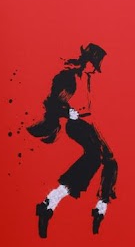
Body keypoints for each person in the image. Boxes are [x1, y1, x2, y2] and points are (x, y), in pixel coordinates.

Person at [28, 44, 117, 237]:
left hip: (87, 123)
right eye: (95, 64)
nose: (96, 68)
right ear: (88, 61)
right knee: (95, 156)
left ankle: (101, 207)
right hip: (74, 124)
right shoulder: (68, 77)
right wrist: (68, 112)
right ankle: (50, 201)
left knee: (110, 160)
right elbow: (52, 101)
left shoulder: (87, 78)